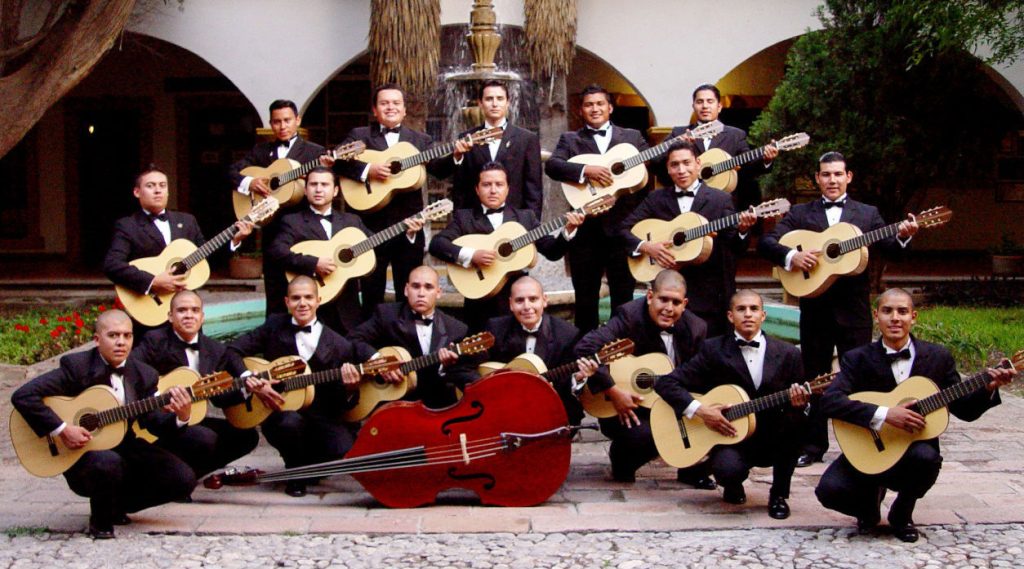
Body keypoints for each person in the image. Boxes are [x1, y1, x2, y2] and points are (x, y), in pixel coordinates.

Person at [758, 151, 919, 467]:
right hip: (815, 309)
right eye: (826, 174)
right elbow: (768, 243)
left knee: (859, 377)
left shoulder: (867, 214)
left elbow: (892, 250)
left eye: (837, 174)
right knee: (815, 378)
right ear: (817, 179)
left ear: (849, 177)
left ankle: (859, 441)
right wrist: (792, 257)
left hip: (854, 310)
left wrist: (903, 237)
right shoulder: (802, 214)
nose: (832, 180)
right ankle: (813, 444)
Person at [815, 288, 1015, 542]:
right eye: (887, 311)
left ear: (914, 317)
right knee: (829, 491)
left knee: (927, 458)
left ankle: (902, 513)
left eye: (902, 311)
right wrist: (885, 413)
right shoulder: (858, 358)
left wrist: (988, 387)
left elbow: (964, 410)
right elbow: (830, 402)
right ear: (876, 316)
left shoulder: (938, 357)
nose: (895, 318)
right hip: (870, 446)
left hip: (913, 452)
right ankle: (868, 507)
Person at [11, 310, 196, 539]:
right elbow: (24, 396)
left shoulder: (144, 374)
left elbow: (154, 423)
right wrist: (62, 429)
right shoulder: (76, 366)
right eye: (113, 335)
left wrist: (182, 416)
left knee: (183, 479)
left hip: (124, 446)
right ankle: (100, 523)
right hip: (80, 452)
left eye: (127, 336)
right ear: (97, 340)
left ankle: (116, 505)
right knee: (108, 462)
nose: (121, 342)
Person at [655, 290, 807, 518]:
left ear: (763, 316)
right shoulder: (713, 350)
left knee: (796, 424)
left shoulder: (788, 354)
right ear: (729, 316)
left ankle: (779, 495)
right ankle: (731, 483)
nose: (748, 315)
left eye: (754, 309)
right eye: (741, 309)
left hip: (773, 436)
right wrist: (701, 410)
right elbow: (667, 383)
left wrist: (799, 404)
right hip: (729, 437)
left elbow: (804, 406)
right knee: (727, 470)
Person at [228, 276, 372, 497]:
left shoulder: (339, 344)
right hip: (280, 411)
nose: (302, 303)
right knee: (288, 423)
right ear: (287, 302)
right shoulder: (273, 327)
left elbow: (341, 405)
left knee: (343, 446)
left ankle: (308, 467)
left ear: (318, 300)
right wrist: (250, 378)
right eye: (296, 298)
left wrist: (350, 387)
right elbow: (232, 351)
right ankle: (295, 471)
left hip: (321, 416)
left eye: (308, 297)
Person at [574, 270, 709, 485]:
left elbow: (700, 377)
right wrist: (613, 390)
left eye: (676, 302)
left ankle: (691, 470)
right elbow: (585, 347)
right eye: (663, 299)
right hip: (625, 407)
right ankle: (622, 460)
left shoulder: (696, 328)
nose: (668, 308)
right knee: (645, 436)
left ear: (684, 304)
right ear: (649, 296)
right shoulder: (629, 316)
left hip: (668, 403)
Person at [621, 140, 756, 336]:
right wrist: (647, 247)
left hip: (709, 294)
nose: (681, 170)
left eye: (687, 163)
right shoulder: (655, 199)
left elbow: (735, 247)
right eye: (675, 165)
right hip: (668, 296)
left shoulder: (720, 200)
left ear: (698, 164)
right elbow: (623, 230)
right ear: (668, 169)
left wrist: (743, 230)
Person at [544, 84, 650, 334]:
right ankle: (585, 356)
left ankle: (621, 351)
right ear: (581, 110)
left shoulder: (632, 138)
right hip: (585, 234)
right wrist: (585, 171)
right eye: (589, 105)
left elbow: (653, 161)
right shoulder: (570, 140)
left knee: (623, 298)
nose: (595, 109)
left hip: (623, 230)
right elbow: (553, 166)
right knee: (585, 299)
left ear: (610, 108)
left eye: (600, 104)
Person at [328, 83, 440, 317]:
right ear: (375, 110)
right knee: (371, 291)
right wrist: (368, 170)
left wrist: (458, 154)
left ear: (404, 109)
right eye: (384, 103)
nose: (391, 107)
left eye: (396, 103)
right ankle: (371, 344)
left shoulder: (420, 140)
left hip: (409, 227)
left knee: (408, 289)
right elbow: (336, 160)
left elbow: (440, 169)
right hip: (370, 227)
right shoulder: (360, 136)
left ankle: (407, 342)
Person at [429, 162, 582, 332]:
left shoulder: (525, 218)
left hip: (517, 305)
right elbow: (436, 245)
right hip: (480, 303)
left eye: (499, 185)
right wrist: (471, 255)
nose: (493, 190)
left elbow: (552, 252)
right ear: (477, 189)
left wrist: (568, 231)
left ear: (508, 189)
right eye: (487, 185)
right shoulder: (464, 218)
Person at [266, 167, 420, 335]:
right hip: (312, 310)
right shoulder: (292, 221)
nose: (318, 189)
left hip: (349, 314)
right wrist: (314, 263)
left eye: (324, 184)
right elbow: (276, 251)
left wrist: (408, 233)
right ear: (305, 189)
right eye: (313, 184)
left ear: (335, 191)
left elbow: (380, 246)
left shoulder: (352, 221)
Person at [104, 167, 253, 332]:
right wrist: (153, 281)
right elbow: (112, 265)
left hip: (187, 310)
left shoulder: (187, 221)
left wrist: (235, 239)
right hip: (152, 307)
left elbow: (207, 258)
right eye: (151, 186)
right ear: (137, 192)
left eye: (162, 185)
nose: (158, 190)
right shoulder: (127, 225)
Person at [131, 290, 259, 477]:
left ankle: (188, 476)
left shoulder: (215, 349)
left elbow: (220, 398)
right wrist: (158, 396)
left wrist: (247, 389)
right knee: (204, 437)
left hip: (190, 417)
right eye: (182, 310)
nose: (189, 315)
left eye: (195, 310)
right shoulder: (154, 340)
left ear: (202, 317)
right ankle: (172, 477)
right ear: (170, 316)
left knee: (247, 436)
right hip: (159, 420)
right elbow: (131, 369)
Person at [228, 99, 325, 316]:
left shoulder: (314, 152)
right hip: (272, 228)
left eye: (287, 120)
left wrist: (310, 178)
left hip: (304, 230)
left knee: (307, 288)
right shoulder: (262, 152)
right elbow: (233, 172)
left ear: (297, 120)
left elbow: (327, 185)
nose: (282, 126)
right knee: (275, 291)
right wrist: (250, 183)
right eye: (277, 122)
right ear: (271, 124)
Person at [350, 265, 481, 409]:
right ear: (406, 290)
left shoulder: (456, 329)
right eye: (415, 286)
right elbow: (354, 339)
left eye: (428, 287)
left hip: (435, 406)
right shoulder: (386, 315)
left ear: (439, 292)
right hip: (391, 404)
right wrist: (379, 363)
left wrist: (445, 367)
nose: (421, 293)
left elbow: (464, 374)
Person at [483, 276, 595, 425]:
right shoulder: (496, 328)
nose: (526, 306)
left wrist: (578, 378)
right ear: (510, 304)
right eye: (519, 300)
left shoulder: (567, 334)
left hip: (548, 405)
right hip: (506, 407)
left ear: (544, 300)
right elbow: (476, 367)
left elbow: (564, 384)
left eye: (533, 299)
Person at [654, 84, 777, 210]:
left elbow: (749, 167)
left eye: (710, 101)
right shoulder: (679, 133)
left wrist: (766, 160)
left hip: (722, 206)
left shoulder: (735, 135)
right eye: (699, 102)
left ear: (719, 107)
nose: (705, 106)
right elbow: (655, 164)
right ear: (693, 106)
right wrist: (677, 146)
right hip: (684, 205)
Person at [436, 79, 543, 216]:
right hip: (475, 221)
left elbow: (534, 190)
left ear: (508, 102)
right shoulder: (466, 138)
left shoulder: (527, 139)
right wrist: (461, 222)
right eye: (489, 99)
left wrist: (531, 225)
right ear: (480, 103)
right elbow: (460, 188)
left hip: (515, 220)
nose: (494, 104)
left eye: (499, 99)